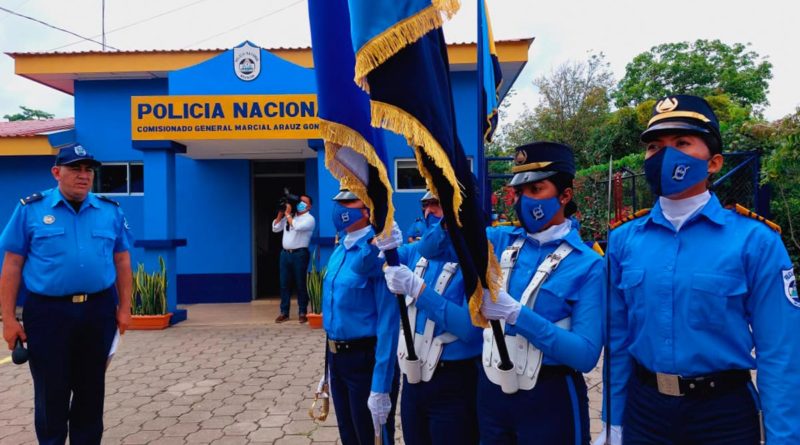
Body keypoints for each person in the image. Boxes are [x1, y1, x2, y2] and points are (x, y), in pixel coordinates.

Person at [596, 94, 800, 445]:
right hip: (645, 410)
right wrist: (612, 422)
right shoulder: (624, 240)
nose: (664, 155)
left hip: (722, 415)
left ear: (714, 163)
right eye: (654, 146)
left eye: (682, 143)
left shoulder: (755, 241)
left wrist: (784, 437)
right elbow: (616, 339)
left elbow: (780, 351)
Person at [0, 143, 133, 445]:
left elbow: (122, 261)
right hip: (48, 313)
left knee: (91, 389)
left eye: (88, 170)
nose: (83, 176)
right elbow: (12, 266)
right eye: (75, 169)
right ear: (57, 172)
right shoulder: (30, 210)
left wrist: (125, 308)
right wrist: (8, 319)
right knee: (51, 390)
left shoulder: (109, 210)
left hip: (97, 311)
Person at [478, 141, 604, 444]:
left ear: (565, 195)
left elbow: (585, 355)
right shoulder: (498, 240)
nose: (524, 200)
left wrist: (517, 315)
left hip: (549, 396)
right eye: (520, 192)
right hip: (491, 391)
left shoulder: (588, 265)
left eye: (537, 190)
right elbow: (441, 247)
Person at [377, 190, 482, 444]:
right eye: (426, 205)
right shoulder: (417, 251)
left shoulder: (475, 256)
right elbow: (369, 266)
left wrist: (420, 292)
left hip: (454, 379)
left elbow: (470, 330)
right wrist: (380, 238)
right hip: (414, 377)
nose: (429, 211)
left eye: (437, 204)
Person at [323, 186, 400, 445]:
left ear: (368, 210)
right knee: (349, 434)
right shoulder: (340, 249)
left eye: (349, 201)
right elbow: (334, 314)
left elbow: (388, 323)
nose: (339, 207)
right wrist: (327, 366)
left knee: (371, 437)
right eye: (338, 201)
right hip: (338, 360)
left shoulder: (379, 252)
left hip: (365, 360)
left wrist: (381, 384)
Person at [272, 193, 315, 323]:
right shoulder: (290, 216)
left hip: (299, 254)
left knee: (300, 283)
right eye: (300, 201)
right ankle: (284, 312)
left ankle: (302, 312)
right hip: (285, 254)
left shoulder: (309, 219)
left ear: (309, 206)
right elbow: (275, 228)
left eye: (304, 202)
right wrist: (281, 212)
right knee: (284, 284)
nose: (300, 203)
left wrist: (288, 215)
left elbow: (296, 226)